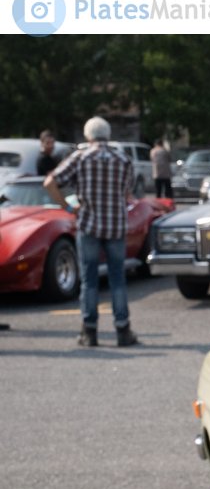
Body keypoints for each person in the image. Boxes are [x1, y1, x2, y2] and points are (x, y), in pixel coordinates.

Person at [44, 116, 138, 348]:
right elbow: (128, 192)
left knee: (89, 280)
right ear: (108, 134)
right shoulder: (123, 159)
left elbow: (50, 183)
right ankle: (123, 330)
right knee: (118, 279)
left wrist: (68, 207)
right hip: (115, 225)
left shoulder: (80, 157)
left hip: (88, 225)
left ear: (88, 136)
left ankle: (89, 331)